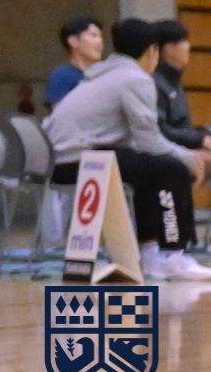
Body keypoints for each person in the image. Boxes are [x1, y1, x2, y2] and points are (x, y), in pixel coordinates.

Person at [43, 17, 211, 281]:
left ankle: (150, 253)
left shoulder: (101, 74)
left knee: (149, 169)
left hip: (63, 162)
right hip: (85, 161)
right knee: (172, 168)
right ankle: (173, 255)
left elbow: (138, 142)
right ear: (153, 51)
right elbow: (149, 141)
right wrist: (189, 157)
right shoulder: (135, 78)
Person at [151, 20, 208, 153]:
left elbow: (183, 127)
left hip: (183, 148)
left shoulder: (174, 80)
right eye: (183, 41)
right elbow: (160, 131)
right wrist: (199, 139)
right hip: (167, 152)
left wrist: (201, 136)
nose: (188, 46)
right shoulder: (154, 82)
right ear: (169, 48)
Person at [46, 15, 105, 108]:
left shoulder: (106, 73)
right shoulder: (61, 75)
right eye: (94, 35)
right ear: (73, 41)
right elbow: (60, 113)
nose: (100, 41)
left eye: (100, 36)